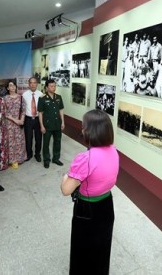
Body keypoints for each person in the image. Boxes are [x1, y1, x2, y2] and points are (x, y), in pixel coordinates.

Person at [60, 109, 119, 274]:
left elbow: (66, 190)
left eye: (84, 127)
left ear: (90, 131)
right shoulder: (113, 150)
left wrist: (67, 174)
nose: (82, 130)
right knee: (101, 248)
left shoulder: (85, 158)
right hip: (107, 204)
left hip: (87, 210)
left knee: (83, 251)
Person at [38, 79, 65, 169]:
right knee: (46, 144)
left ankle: (56, 158)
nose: (53, 88)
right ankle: (46, 160)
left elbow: (61, 110)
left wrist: (63, 122)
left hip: (57, 124)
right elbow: (40, 113)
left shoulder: (59, 97)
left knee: (57, 142)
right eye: (51, 86)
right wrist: (41, 126)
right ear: (46, 88)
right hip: (47, 125)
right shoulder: (42, 98)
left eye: (54, 86)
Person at [2, 80, 27, 168]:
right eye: (10, 86)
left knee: (19, 141)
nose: (12, 87)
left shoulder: (20, 97)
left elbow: (24, 110)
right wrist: (15, 120)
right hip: (9, 123)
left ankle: (20, 158)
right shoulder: (5, 98)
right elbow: (4, 112)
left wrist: (22, 120)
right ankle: (13, 160)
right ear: (8, 88)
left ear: (16, 87)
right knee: (11, 141)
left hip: (19, 123)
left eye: (13, 85)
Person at [22, 77, 43, 163]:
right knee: (28, 138)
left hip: (38, 119)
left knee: (39, 138)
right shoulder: (24, 95)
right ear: (29, 84)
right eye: (31, 83)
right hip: (28, 119)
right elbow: (22, 108)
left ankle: (37, 154)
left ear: (37, 84)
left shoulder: (41, 94)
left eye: (34, 83)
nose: (33, 84)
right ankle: (29, 154)